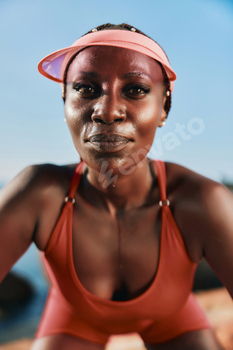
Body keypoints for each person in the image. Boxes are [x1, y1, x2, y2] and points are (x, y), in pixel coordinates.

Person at [0, 23, 232, 350]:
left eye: (135, 89)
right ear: (65, 104)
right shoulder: (39, 195)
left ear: (164, 108)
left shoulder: (200, 202)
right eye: (86, 88)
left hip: (171, 316)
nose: (107, 111)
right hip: (74, 317)